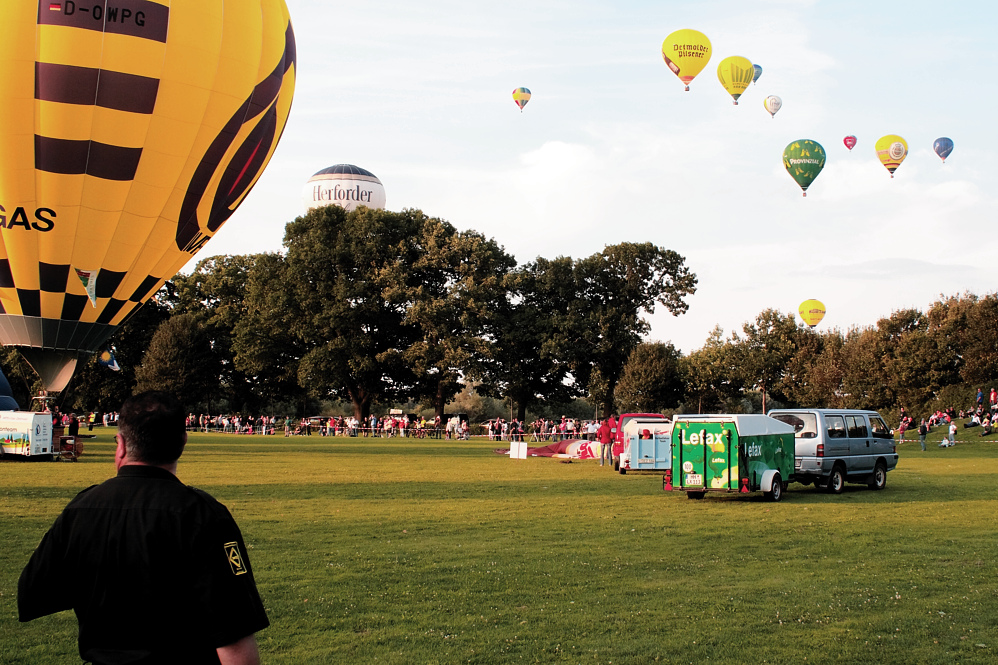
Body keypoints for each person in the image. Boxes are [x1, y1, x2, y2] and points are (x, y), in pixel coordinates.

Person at [18, 391, 268, 664]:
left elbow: (35, 591)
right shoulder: (201, 515)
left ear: (121, 444)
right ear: (182, 443)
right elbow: (235, 641)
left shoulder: (81, 509)